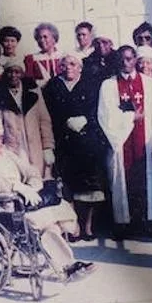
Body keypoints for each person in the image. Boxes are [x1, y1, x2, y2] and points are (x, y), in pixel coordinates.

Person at [0, 115, 94, 280]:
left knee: (50, 224)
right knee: (41, 222)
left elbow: (30, 171)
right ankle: (67, 267)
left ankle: (68, 266)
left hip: (19, 203)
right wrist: (14, 186)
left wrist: (31, 186)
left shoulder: (6, 153)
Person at [98, 45, 152, 238]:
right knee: (122, 181)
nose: (126, 63)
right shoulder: (108, 85)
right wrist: (132, 117)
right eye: (122, 59)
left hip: (146, 142)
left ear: (135, 60)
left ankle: (147, 223)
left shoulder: (149, 84)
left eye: (130, 59)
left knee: (147, 180)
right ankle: (125, 225)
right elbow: (106, 115)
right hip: (121, 142)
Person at [43, 54, 110, 240]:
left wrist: (86, 120)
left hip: (87, 141)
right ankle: (73, 227)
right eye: (64, 65)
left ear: (80, 68)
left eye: (72, 64)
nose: (68, 68)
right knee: (67, 186)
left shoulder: (90, 84)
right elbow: (48, 113)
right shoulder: (53, 86)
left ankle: (87, 225)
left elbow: (98, 109)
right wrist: (64, 122)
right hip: (64, 142)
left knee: (90, 185)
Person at [0, 63, 55, 178]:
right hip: (11, 148)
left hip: (34, 147)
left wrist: (48, 147)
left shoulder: (34, 92)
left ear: (22, 74)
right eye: (9, 72)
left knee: (38, 179)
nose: (13, 75)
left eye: (17, 72)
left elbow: (44, 121)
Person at [22, 22, 62, 86]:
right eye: (39, 38)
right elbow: (29, 82)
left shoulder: (63, 57)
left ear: (54, 38)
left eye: (45, 37)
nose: (41, 40)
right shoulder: (31, 59)